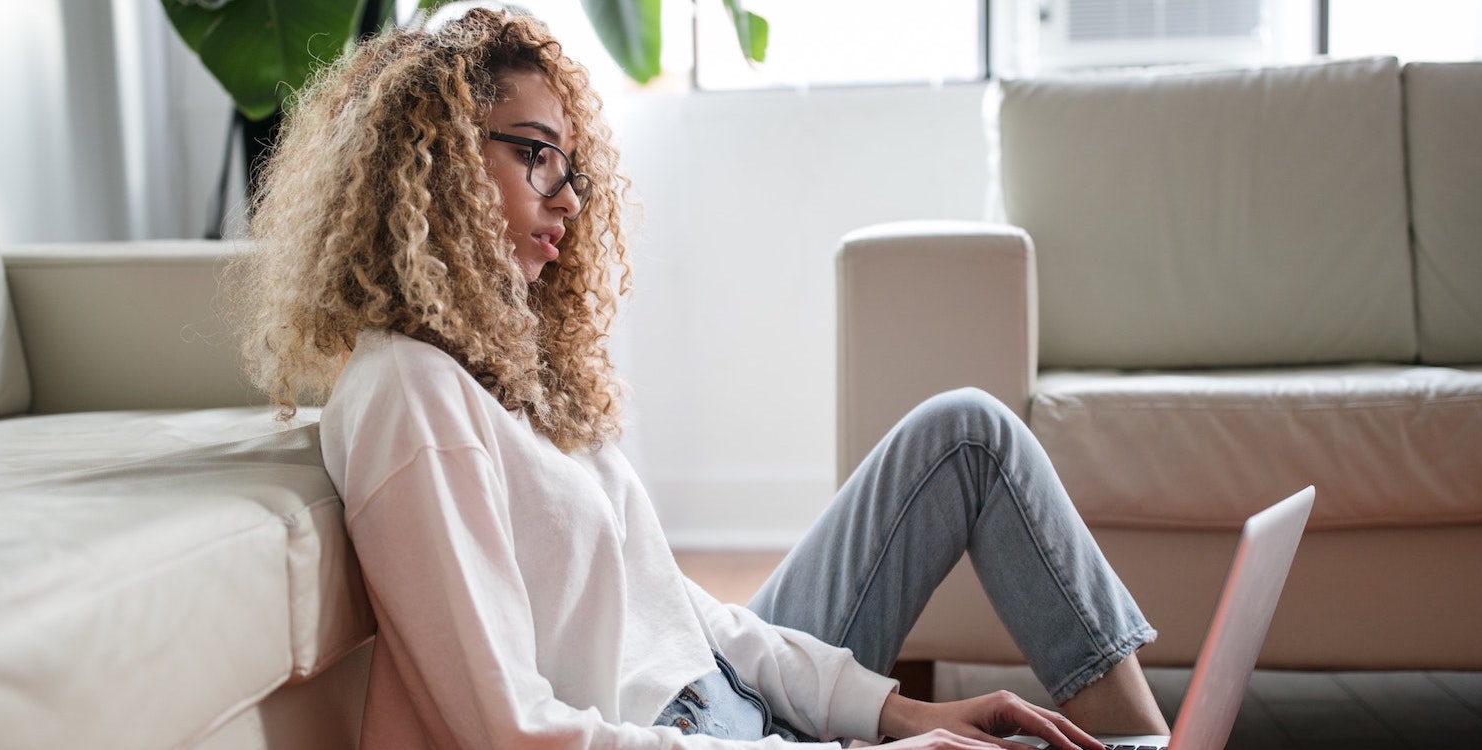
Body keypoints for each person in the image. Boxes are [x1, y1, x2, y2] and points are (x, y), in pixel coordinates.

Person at [232, 8, 1170, 749]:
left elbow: (678, 611)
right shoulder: (409, 394)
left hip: (727, 695)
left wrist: (895, 714)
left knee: (968, 431)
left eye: (572, 164)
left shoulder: (519, 378)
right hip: (679, 734)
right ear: (431, 164)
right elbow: (510, 733)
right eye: (534, 152)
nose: (566, 193)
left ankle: (1146, 742)